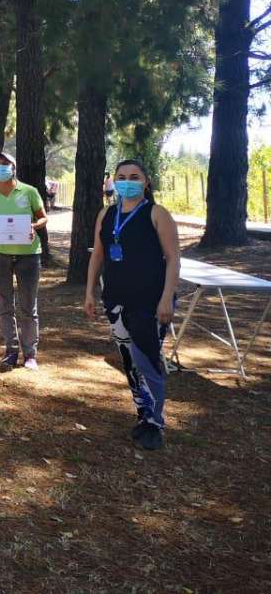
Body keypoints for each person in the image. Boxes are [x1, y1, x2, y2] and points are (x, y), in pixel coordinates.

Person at [84, 159, 180, 451]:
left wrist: (166, 298)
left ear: (146, 182)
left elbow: (174, 259)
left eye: (135, 176)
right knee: (129, 361)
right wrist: (89, 292)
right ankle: (143, 414)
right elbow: (97, 256)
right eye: (122, 177)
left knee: (148, 360)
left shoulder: (157, 214)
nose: (128, 181)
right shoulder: (107, 214)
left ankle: (155, 423)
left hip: (149, 301)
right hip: (116, 299)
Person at [0, 152, 48, 370]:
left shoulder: (29, 192)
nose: (1, 168)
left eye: (5, 164)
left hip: (28, 255)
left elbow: (43, 217)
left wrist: (33, 226)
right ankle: (11, 351)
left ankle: (30, 354)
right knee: (5, 305)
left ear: (14, 167)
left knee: (29, 306)